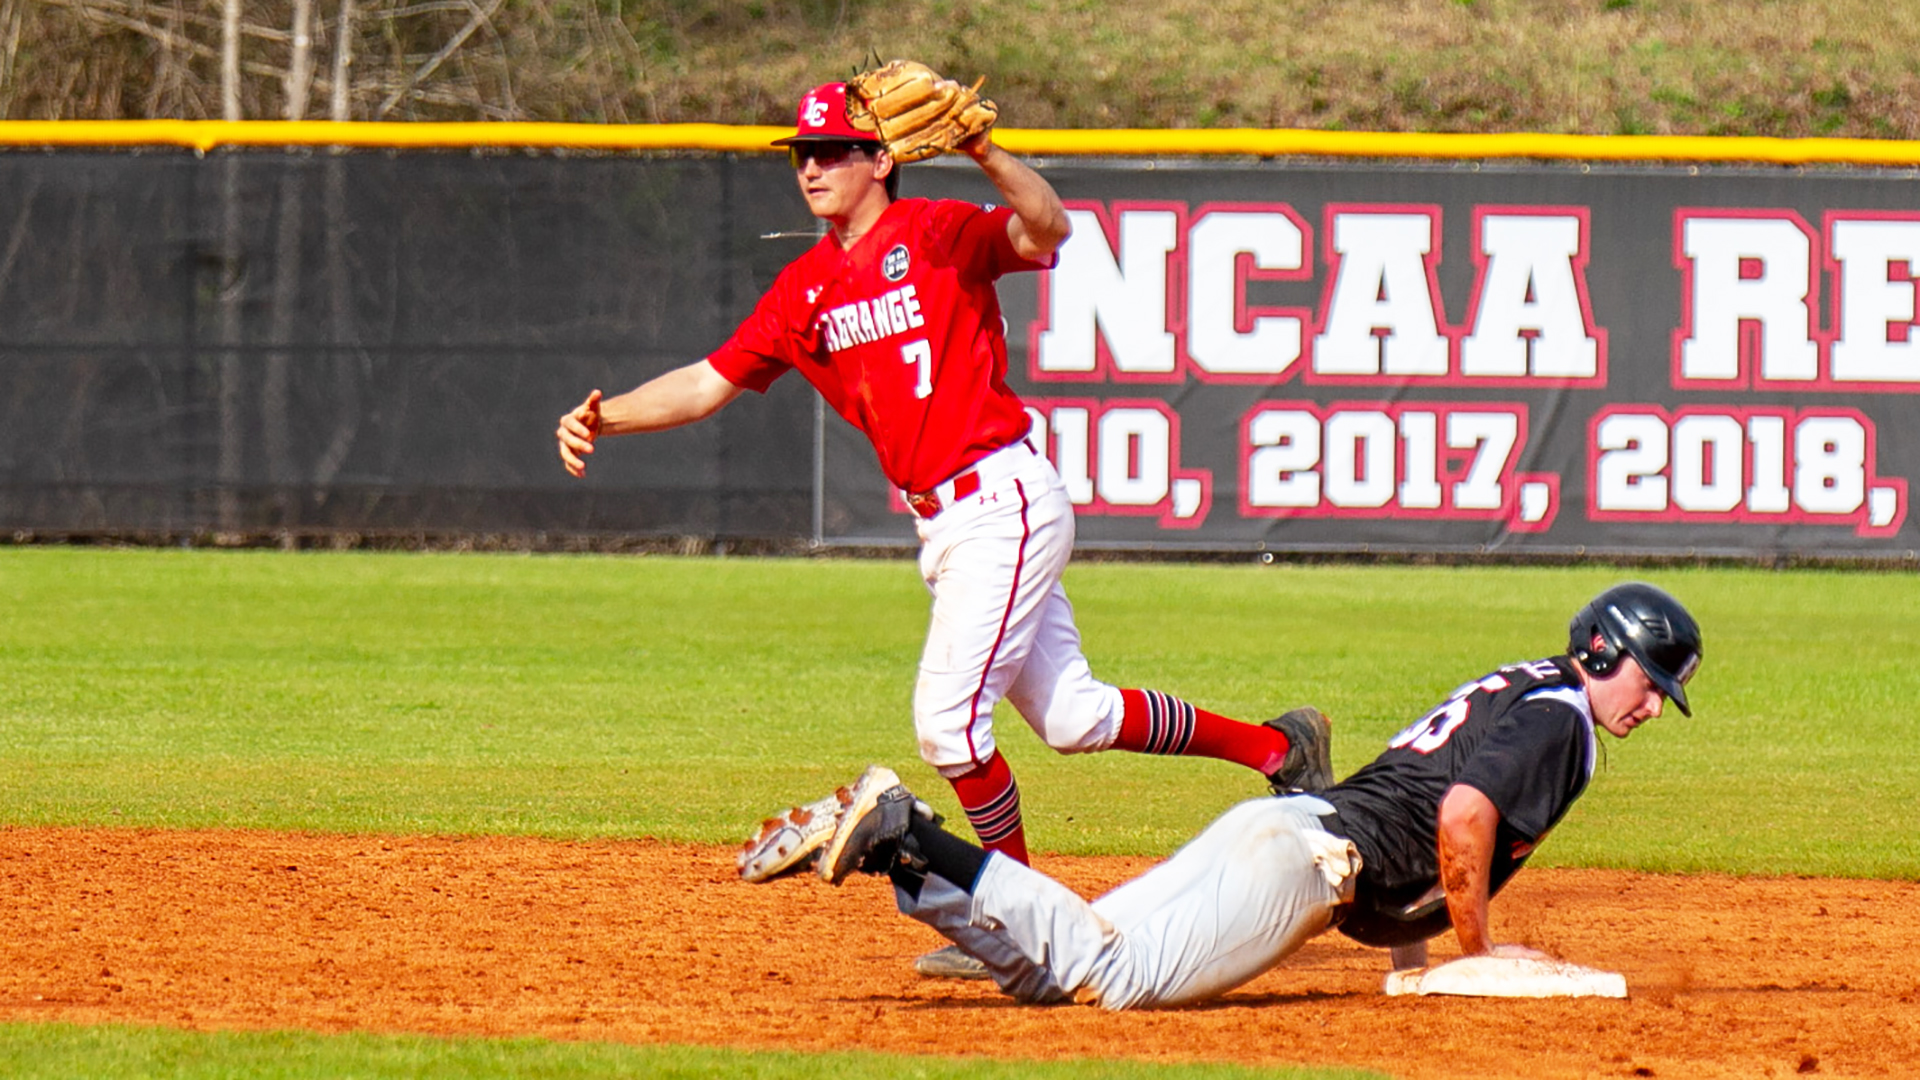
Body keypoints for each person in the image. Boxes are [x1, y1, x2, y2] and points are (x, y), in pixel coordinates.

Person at [556, 78, 1334, 980]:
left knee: (947, 729)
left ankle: (1025, 923)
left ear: (879, 160)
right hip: (953, 523)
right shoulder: (803, 290)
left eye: (834, 150)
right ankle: (1282, 747)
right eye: (802, 154)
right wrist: (606, 417)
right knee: (1073, 715)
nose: (813, 167)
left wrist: (985, 152)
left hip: (1000, 498)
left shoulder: (934, 229)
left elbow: (1047, 229)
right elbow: (705, 381)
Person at [772, 582, 1702, 1008]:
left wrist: (1408, 961)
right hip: (1304, 867)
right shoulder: (1564, 722)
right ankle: (909, 828)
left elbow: (1418, 806)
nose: (1651, 707)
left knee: (1052, 967)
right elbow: (1460, 821)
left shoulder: (1523, 685)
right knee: (1117, 979)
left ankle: (906, 851)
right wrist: (1477, 952)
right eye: (1651, 684)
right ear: (1605, 654)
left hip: (1287, 825)